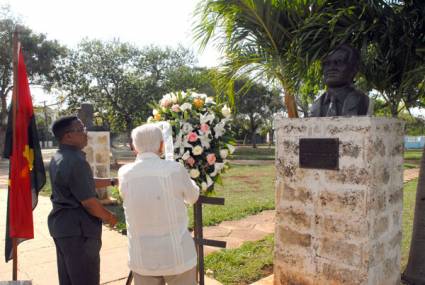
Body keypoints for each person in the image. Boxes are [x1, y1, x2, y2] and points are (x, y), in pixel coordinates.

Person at [118, 124, 199, 285]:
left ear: (134, 146)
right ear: (162, 145)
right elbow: (192, 197)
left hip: (142, 257)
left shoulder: (125, 173)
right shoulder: (174, 169)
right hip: (177, 254)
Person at [48, 115, 118, 285]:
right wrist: (109, 217)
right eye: (80, 130)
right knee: (85, 279)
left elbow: (82, 183)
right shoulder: (75, 161)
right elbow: (90, 203)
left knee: (69, 279)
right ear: (68, 136)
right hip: (78, 231)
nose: (85, 133)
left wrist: (112, 181)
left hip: (63, 227)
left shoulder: (60, 156)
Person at [310, 44, 371, 117]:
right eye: (326, 64)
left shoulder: (364, 102)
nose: (331, 68)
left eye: (338, 62)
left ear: (353, 70)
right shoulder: (315, 106)